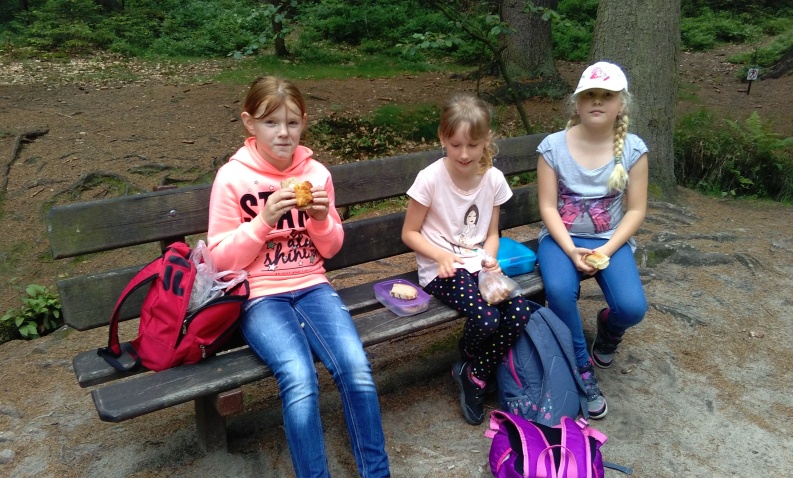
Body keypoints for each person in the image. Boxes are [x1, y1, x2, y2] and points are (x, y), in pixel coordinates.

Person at [206, 76, 390, 477]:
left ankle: (377, 473)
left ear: (304, 123)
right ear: (249, 123)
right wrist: (263, 221)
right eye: (270, 122)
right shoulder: (232, 178)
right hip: (260, 295)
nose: (283, 133)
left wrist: (321, 219)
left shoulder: (316, 174)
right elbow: (219, 260)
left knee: (356, 368)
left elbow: (331, 247)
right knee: (299, 376)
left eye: (292, 123)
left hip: (312, 286)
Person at [401, 93, 531, 426]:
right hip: (441, 269)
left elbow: (492, 233)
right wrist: (440, 255)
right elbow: (410, 233)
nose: (463, 154)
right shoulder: (430, 178)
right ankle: (475, 363)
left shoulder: (493, 179)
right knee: (487, 320)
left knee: (519, 311)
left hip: (478, 265)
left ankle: (474, 372)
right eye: (456, 144)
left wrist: (491, 259)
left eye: (472, 145)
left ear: (486, 140)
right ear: (443, 138)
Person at [536, 61, 649, 419]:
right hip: (561, 239)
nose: (597, 101)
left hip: (609, 239)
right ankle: (581, 368)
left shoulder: (633, 150)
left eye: (606, 95)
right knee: (558, 292)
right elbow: (547, 206)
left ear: (621, 104)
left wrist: (606, 250)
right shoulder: (553, 147)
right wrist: (570, 250)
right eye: (589, 95)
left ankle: (609, 330)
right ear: (577, 103)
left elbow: (636, 210)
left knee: (632, 308)